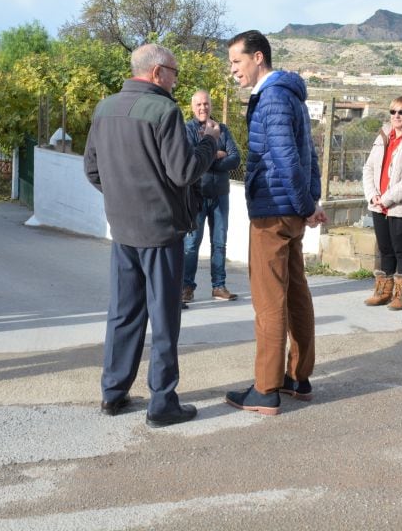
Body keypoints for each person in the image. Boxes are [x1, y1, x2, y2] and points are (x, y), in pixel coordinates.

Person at [84, 43, 220, 428]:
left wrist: (122, 198)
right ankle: (162, 402)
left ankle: (113, 393)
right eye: (174, 72)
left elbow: (92, 170)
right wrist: (209, 142)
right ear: (158, 72)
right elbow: (183, 171)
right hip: (160, 231)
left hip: (123, 228)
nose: (177, 80)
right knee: (163, 317)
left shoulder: (104, 108)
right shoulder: (164, 110)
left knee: (124, 312)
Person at [224, 30, 327, 416]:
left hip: (273, 213)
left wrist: (304, 205)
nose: (233, 70)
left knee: (269, 302)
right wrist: (308, 204)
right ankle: (297, 377)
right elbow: (310, 155)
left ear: (258, 57)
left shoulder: (273, 98)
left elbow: (285, 158)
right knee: (296, 294)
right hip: (290, 210)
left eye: (237, 61)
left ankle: (266, 389)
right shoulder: (290, 96)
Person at [361, 96, 402, 310]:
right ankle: (383, 291)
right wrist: (373, 195)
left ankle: (401, 295)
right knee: (385, 249)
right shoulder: (382, 137)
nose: (396, 116)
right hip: (378, 204)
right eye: (393, 111)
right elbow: (368, 168)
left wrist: (388, 197)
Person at [182, 89, 241, 304]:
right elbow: (190, 158)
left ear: (211, 106)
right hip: (196, 196)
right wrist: (216, 154)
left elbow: (235, 158)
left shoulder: (221, 129)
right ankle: (186, 287)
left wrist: (208, 158)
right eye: (198, 104)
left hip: (220, 196)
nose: (202, 108)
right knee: (191, 244)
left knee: (219, 243)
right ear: (192, 107)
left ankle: (219, 286)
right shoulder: (187, 129)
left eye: (206, 104)